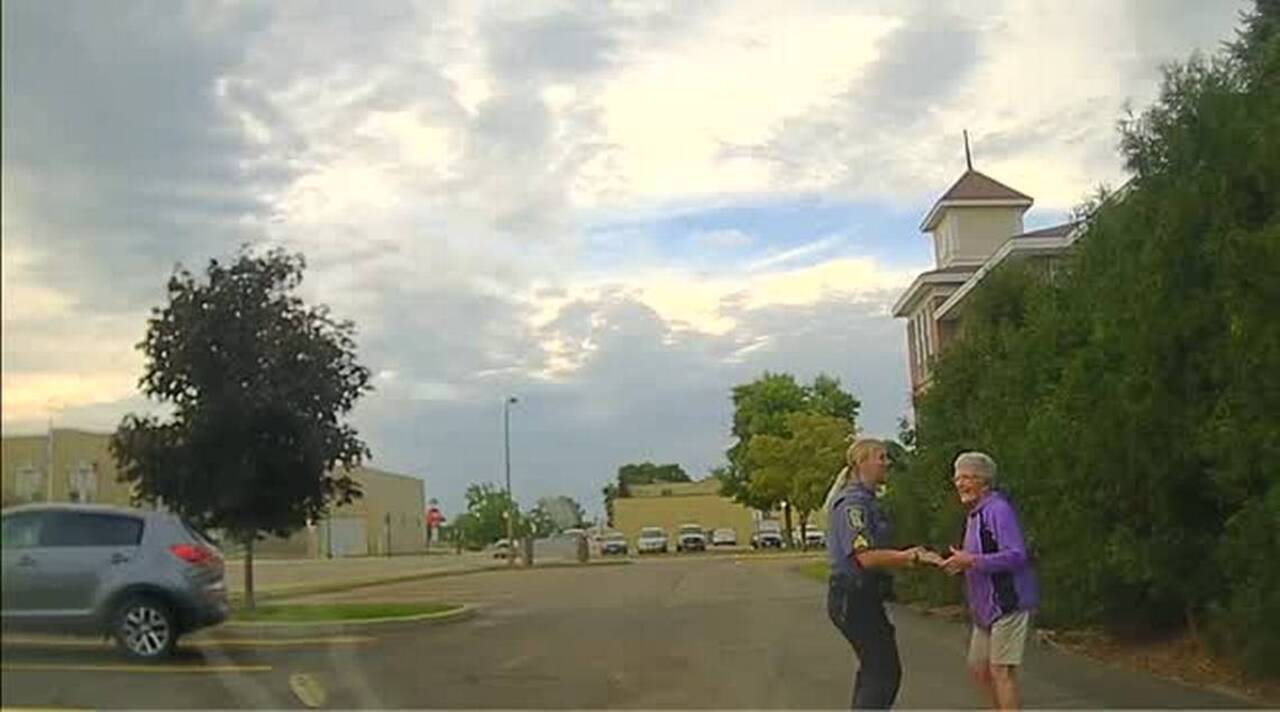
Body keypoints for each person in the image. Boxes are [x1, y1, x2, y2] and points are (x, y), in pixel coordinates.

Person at [825, 438, 938, 709]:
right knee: (883, 673)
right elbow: (864, 557)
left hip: (863, 596)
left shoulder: (868, 501)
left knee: (875, 669)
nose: (887, 463)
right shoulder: (852, 505)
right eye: (881, 457)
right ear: (861, 462)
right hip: (852, 596)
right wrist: (909, 556)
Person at [941, 452, 1039, 711]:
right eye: (957, 477)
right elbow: (976, 558)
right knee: (979, 668)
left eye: (968, 477)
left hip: (1008, 603)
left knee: (1000, 671)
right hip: (985, 610)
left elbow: (1016, 554)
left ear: (984, 481)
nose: (961, 484)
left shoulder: (998, 510)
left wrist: (971, 561)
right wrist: (959, 564)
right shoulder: (975, 514)